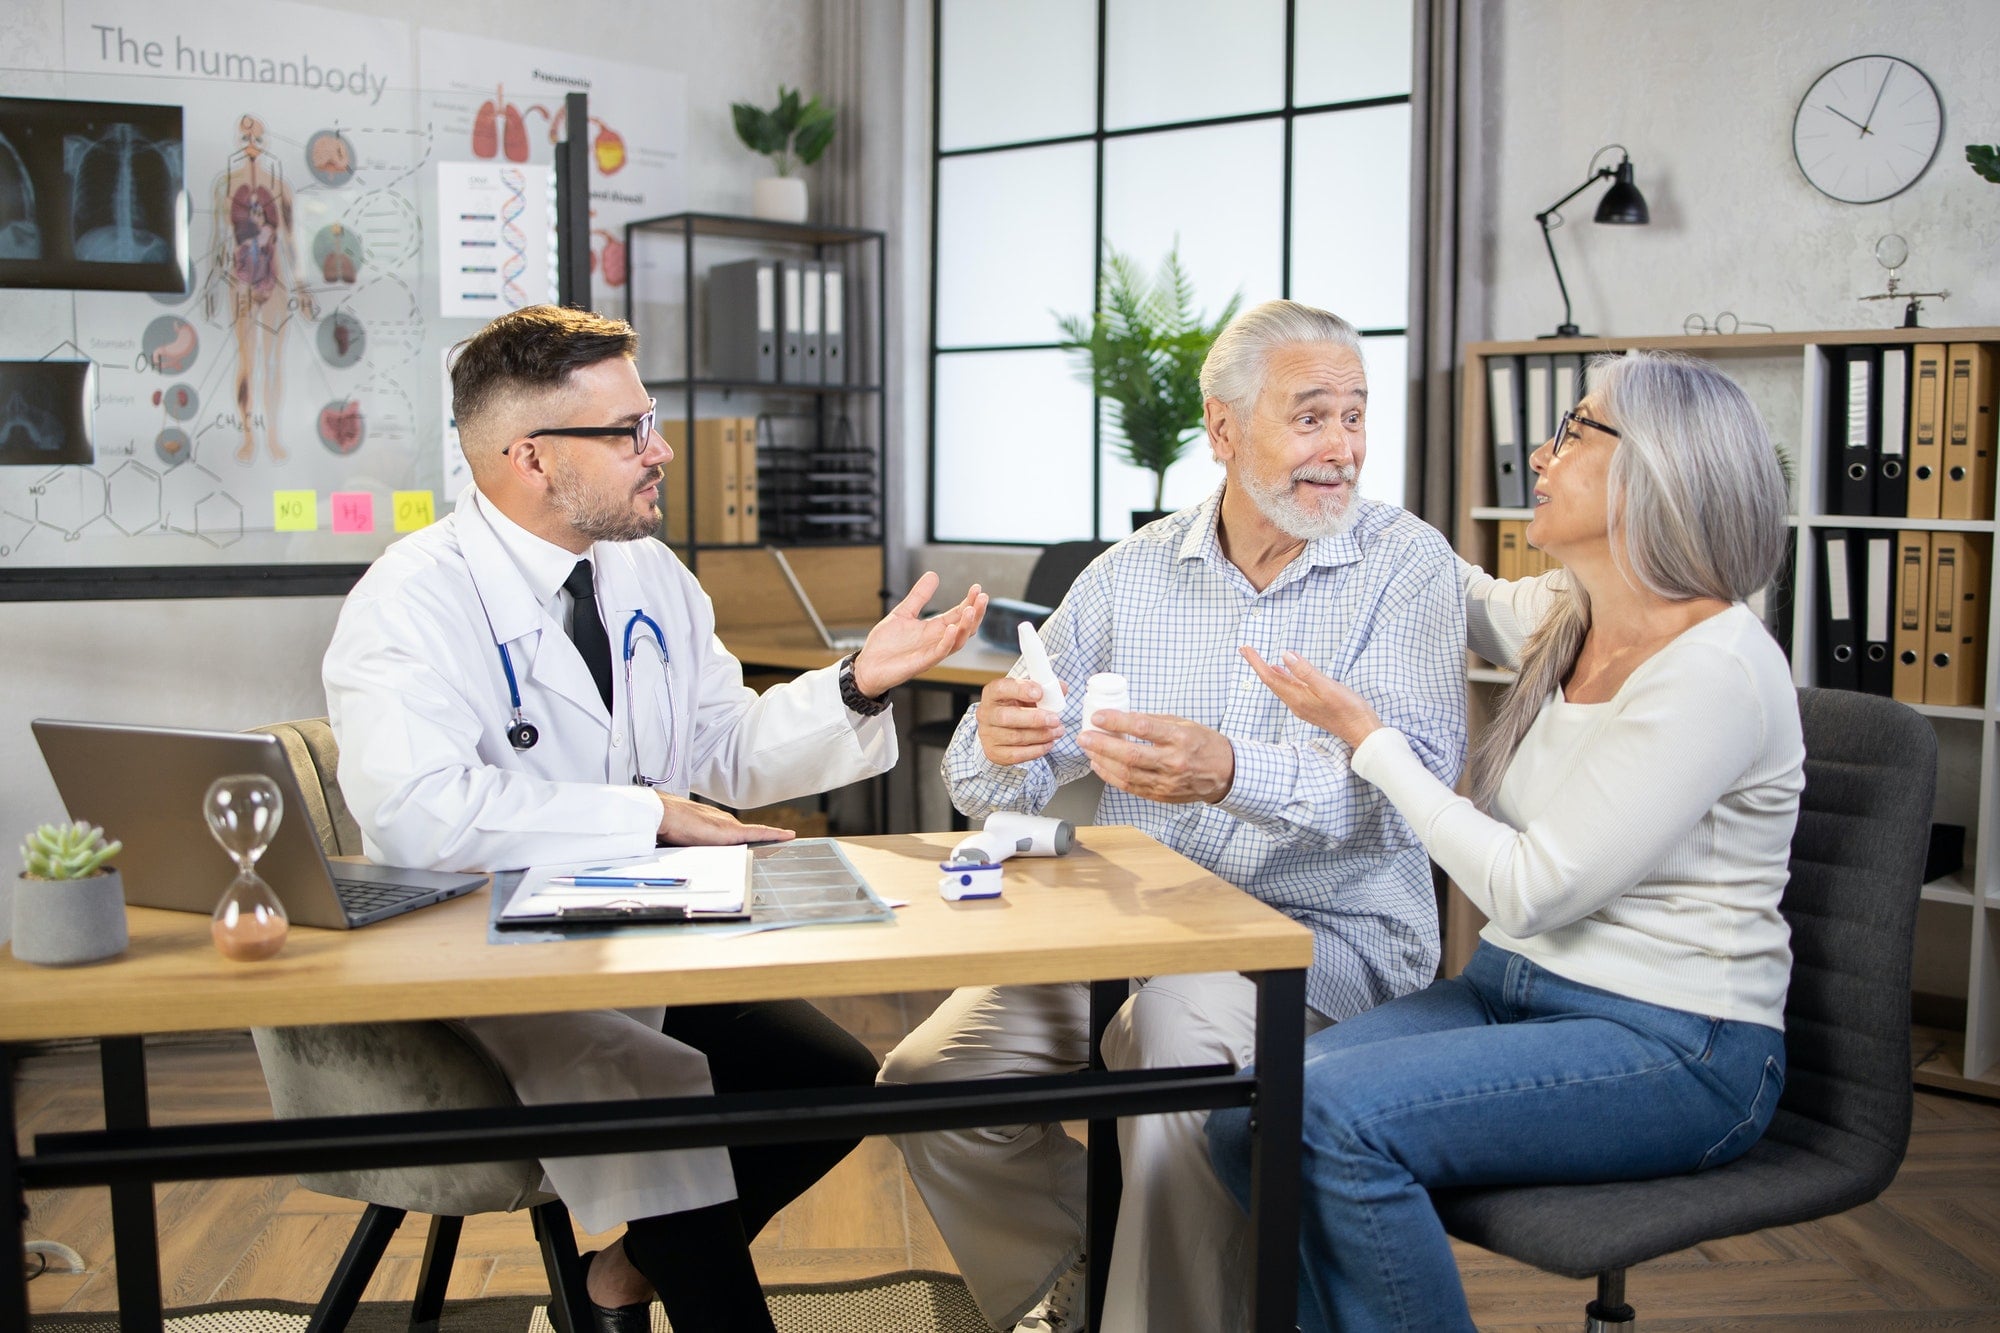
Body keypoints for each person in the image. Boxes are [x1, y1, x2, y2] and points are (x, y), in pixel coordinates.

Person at [323, 304, 988, 1333]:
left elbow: (726, 745)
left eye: (651, 422)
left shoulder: (647, 575)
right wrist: (647, 817)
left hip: (636, 935)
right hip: (483, 960)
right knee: (657, 1090)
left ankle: (615, 1279)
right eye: (627, 430)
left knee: (834, 1080)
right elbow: (420, 820)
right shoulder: (408, 602)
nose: (661, 449)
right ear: (530, 456)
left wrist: (855, 684)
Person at [878, 300, 1467, 1333]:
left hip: (1319, 943)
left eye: (1355, 417)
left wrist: (1232, 770)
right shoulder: (1130, 574)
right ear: (1224, 431)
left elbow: (1409, 795)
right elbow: (984, 780)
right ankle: (1089, 1280)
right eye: (1311, 417)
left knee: (1170, 1037)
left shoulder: (1406, 567)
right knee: (931, 1080)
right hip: (1136, 925)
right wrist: (1001, 734)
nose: (1342, 449)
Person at [1207, 350, 1801, 1333]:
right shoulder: (1570, 617)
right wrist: (1308, 481)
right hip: (1508, 995)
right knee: (1242, 1120)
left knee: (1323, 1119)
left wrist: (1371, 742)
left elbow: (1526, 890)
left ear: (1651, 468)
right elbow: (1446, 585)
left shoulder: (1713, 669)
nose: (1540, 450)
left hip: (1677, 1042)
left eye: (1572, 431)